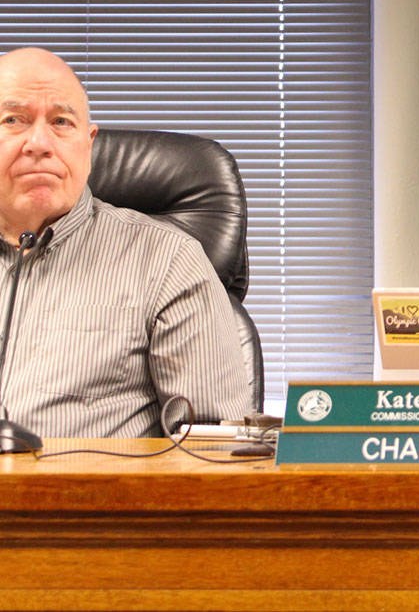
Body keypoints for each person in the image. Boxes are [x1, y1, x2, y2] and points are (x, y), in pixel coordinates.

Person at [0, 47, 251, 439]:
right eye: (13, 119)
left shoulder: (169, 261)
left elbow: (214, 453)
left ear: (89, 142)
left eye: (62, 122)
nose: (39, 143)